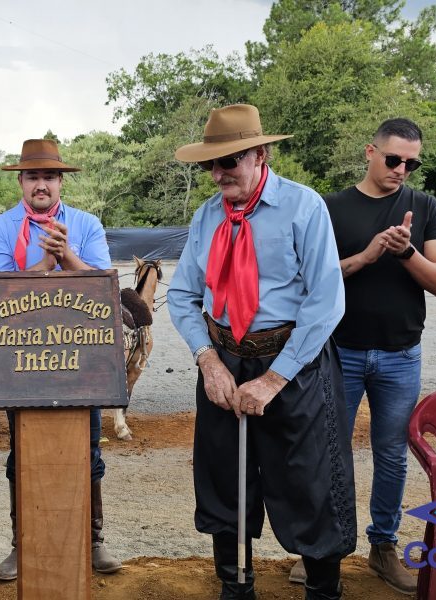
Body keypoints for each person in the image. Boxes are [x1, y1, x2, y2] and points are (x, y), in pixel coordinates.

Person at [167, 104, 356, 600]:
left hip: (294, 361)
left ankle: (322, 590)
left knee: (310, 478)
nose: (219, 172)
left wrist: (275, 379)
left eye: (230, 160)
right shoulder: (206, 216)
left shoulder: (303, 206)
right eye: (212, 163)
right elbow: (183, 295)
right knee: (223, 475)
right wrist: (207, 360)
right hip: (224, 360)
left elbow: (326, 300)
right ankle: (235, 586)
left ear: (261, 154)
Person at [292, 118, 436, 594]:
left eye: (412, 162)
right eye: (394, 159)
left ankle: (383, 547)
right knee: (325, 454)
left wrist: (406, 253)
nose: (403, 169)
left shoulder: (425, 207)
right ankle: (319, 551)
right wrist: (363, 258)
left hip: (400, 355)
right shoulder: (330, 207)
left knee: (392, 457)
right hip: (337, 353)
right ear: (370, 152)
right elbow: (308, 283)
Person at [0, 138, 122, 580]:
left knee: (90, 449)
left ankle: (92, 541)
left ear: (61, 182)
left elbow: (103, 282)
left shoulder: (86, 224)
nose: (41, 184)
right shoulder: (2, 228)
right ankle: (23, 545)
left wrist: (67, 255)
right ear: (21, 181)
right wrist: (44, 263)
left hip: (80, 353)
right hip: (22, 359)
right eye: (33, 176)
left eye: (48, 176)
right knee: (20, 452)